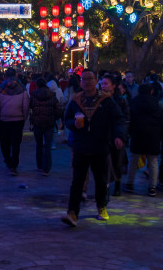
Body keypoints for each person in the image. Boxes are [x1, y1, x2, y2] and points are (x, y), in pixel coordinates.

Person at [62, 70, 126, 226]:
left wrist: (119, 136)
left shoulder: (106, 100)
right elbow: (67, 119)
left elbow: (118, 120)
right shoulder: (76, 100)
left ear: (96, 80)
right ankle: (72, 213)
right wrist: (74, 124)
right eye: (84, 79)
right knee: (77, 181)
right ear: (81, 82)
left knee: (101, 180)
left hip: (100, 146)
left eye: (90, 79)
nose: (88, 82)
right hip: (81, 146)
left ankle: (101, 207)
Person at [125, 84, 163, 197]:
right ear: (151, 92)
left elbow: (130, 118)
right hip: (153, 134)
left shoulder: (134, 102)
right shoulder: (156, 103)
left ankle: (129, 183)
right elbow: (161, 119)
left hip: (138, 133)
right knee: (153, 161)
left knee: (134, 159)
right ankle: (152, 187)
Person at [0, 68, 29, 175]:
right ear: (16, 75)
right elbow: (26, 105)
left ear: (5, 76)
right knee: (16, 143)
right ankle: (14, 164)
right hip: (18, 120)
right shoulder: (22, 89)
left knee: (4, 142)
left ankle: (8, 160)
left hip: (4, 119)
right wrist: (24, 117)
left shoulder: (0, 89)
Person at [100, 75, 129, 196]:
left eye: (106, 83)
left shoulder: (120, 100)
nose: (103, 86)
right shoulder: (98, 99)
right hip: (102, 136)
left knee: (117, 162)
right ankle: (104, 186)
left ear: (114, 86)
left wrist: (121, 135)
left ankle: (117, 184)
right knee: (103, 163)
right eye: (102, 83)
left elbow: (125, 119)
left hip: (116, 135)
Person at [29, 77, 63, 175]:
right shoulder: (52, 95)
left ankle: (39, 165)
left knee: (39, 145)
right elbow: (58, 110)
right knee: (48, 146)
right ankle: (46, 168)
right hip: (49, 123)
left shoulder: (33, 95)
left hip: (37, 122)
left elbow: (30, 106)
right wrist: (54, 117)